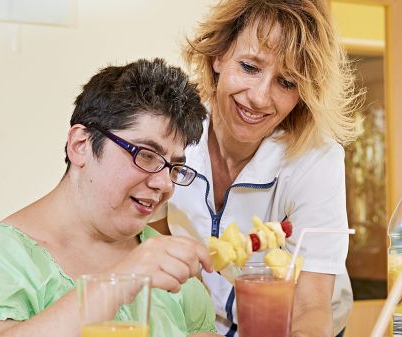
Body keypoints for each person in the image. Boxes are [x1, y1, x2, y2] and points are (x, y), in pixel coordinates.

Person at [0, 58, 222, 337]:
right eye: (146, 155)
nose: (163, 183)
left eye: (175, 167)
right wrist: (122, 280)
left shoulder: (166, 263)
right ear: (80, 145)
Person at [151, 1, 362, 336]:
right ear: (218, 56)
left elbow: (311, 305)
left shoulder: (316, 159)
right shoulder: (172, 135)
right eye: (249, 67)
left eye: (287, 83)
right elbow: (146, 244)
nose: (260, 98)